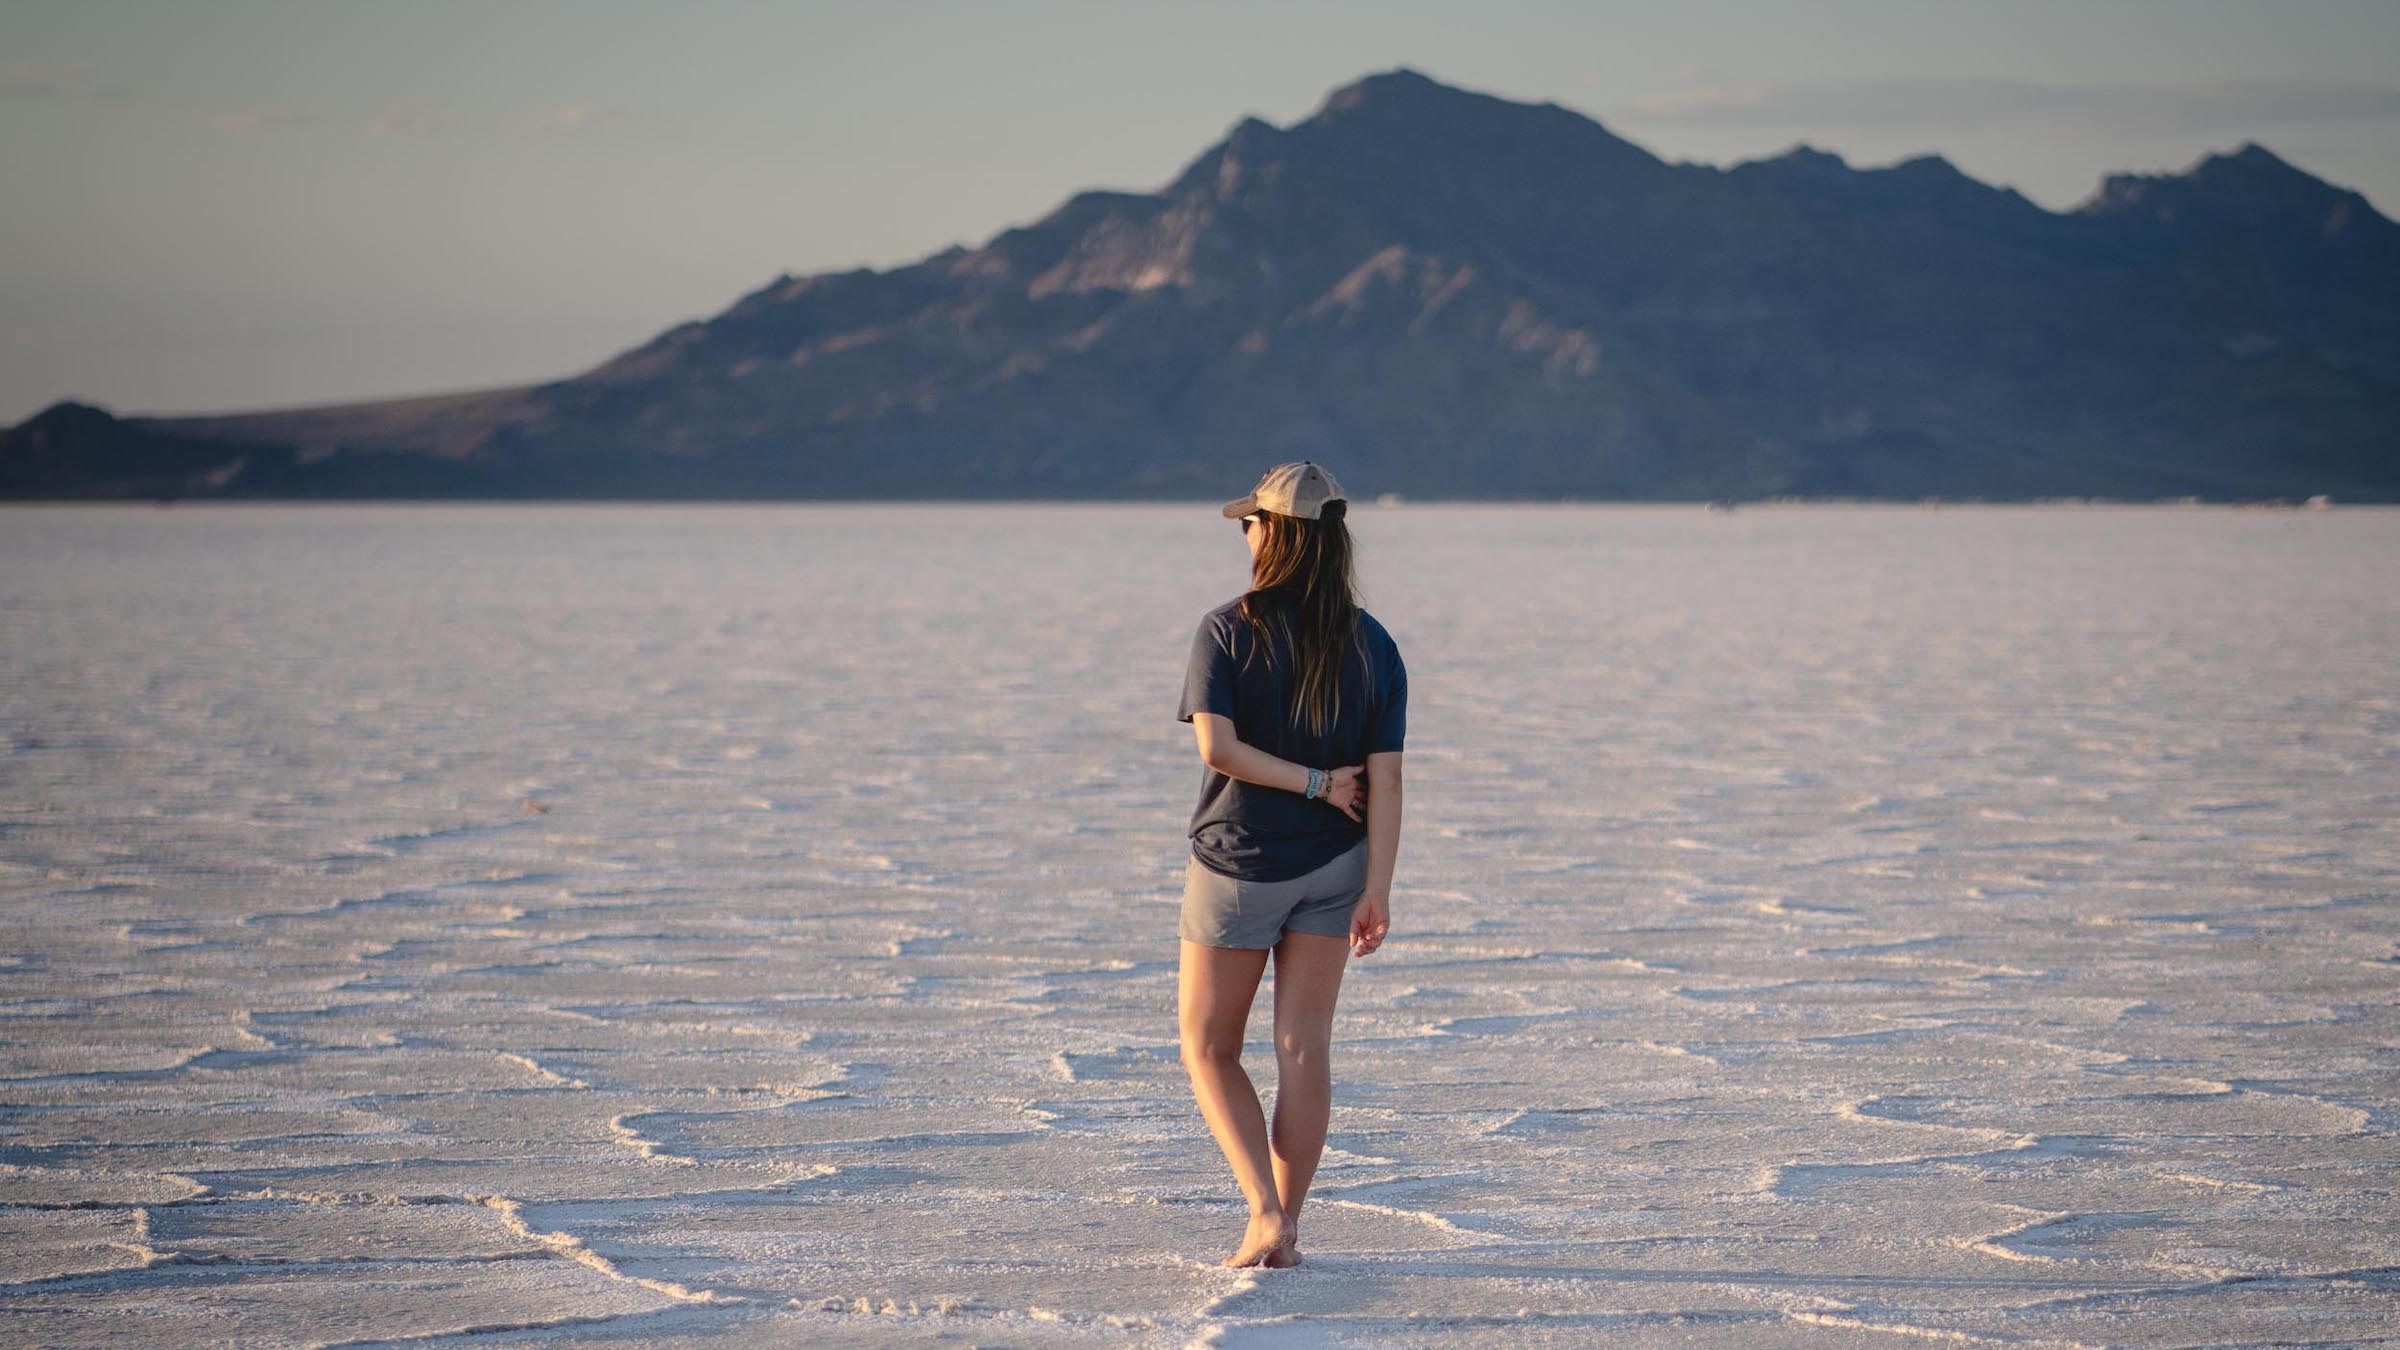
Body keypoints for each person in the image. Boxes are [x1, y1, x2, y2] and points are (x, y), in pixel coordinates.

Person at [1174, 459, 1407, 1270]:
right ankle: (1289, 1223)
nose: (1246, 532)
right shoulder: (1373, 643)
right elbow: (1387, 777)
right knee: (1303, 1047)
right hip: (1338, 869)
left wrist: (1309, 783)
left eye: (1252, 521)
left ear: (1272, 533)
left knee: (1208, 1048)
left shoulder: (1228, 628)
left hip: (1242, 866)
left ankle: (1266, 1213)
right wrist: (1377, 886)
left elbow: (1219, 749)